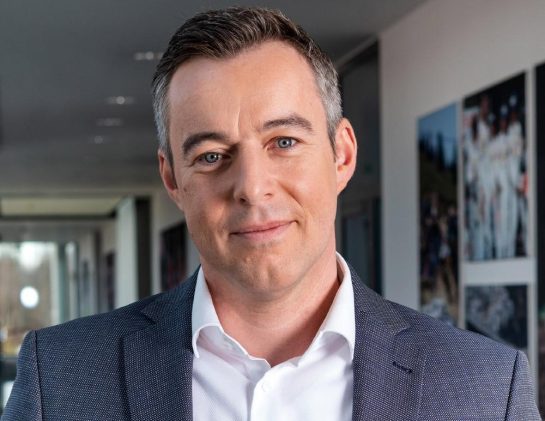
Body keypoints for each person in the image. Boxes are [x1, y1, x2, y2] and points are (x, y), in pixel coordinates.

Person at [2, 7, 540, 421]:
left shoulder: (486, 389)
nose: (252, 188)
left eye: (283, 141)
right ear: (172, 179)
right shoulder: (61, 380)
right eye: (211, 155)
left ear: (342, 155)